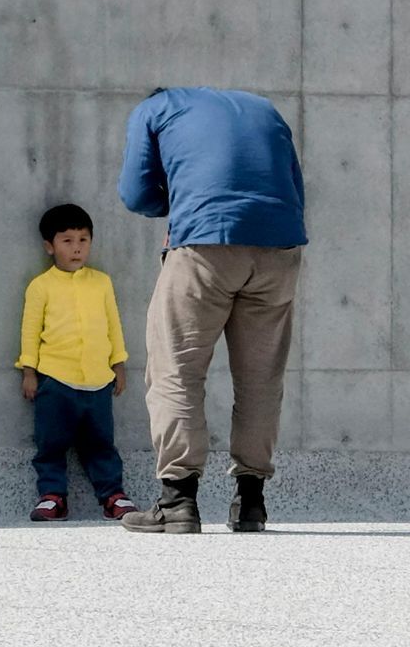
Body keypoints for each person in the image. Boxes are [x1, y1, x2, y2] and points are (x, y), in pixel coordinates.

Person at [115, 87, 306, 536]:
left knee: (176, 371)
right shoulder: (264, 108)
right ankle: (252, 502)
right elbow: (293, 185)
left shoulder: (153, 108)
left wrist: (183, 198)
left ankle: (177, 502)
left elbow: (136, 193)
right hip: (280, 246)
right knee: (262, 378)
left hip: (204, 244)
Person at [17, 204, 136, 522]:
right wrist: (29, 372)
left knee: (100, 443)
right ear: (49, 246)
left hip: (98, 380)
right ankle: (52, 496)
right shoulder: (40, 286)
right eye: (67, 240)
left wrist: (118, 363)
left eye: (83, 239)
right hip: (55, 380)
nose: (77, 247)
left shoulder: (102, 282)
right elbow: (30, 331)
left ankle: (113, 495)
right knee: (50, 442)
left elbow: (113, 323)